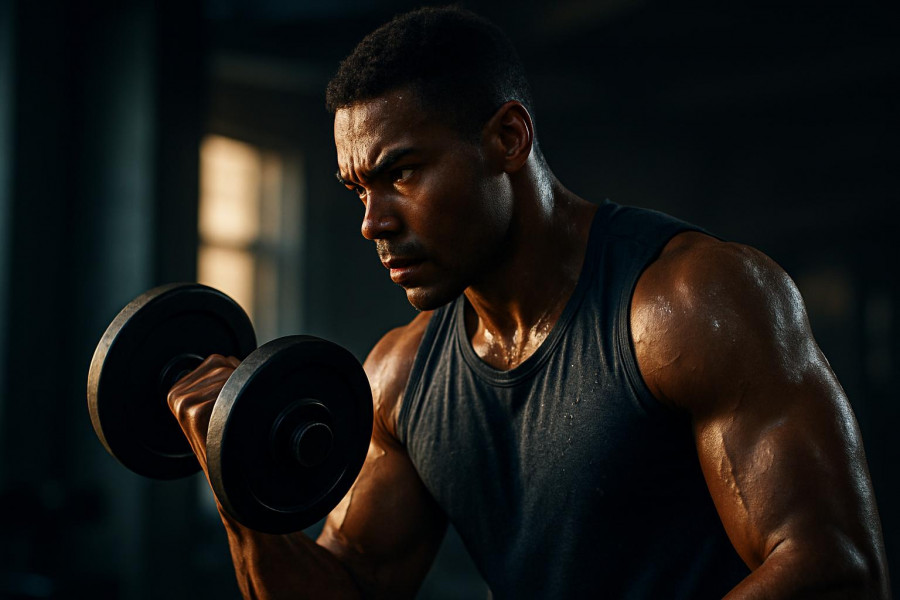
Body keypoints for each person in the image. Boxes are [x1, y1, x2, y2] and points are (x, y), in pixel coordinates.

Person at [167, 6, 890, 599]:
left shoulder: (689, 304)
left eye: (404, 173)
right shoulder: (402, 377)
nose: (373, 222)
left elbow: (831, 570)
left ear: (508, 139)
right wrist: (238, 485)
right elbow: (351, 590)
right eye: (359, 188)